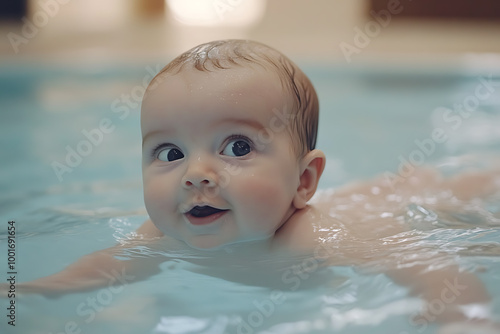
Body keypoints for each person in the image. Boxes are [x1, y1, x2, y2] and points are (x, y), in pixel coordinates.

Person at [3, 40, 499, 331]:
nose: (195, 173)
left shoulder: (320, 239)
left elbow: (435, 271)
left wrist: (462, 318)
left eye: (237, 148)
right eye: (170, 153)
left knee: (456, 191)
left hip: (396, 208)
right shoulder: (162, 233)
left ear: (303, 181)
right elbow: (105, 268)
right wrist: (30, 289)